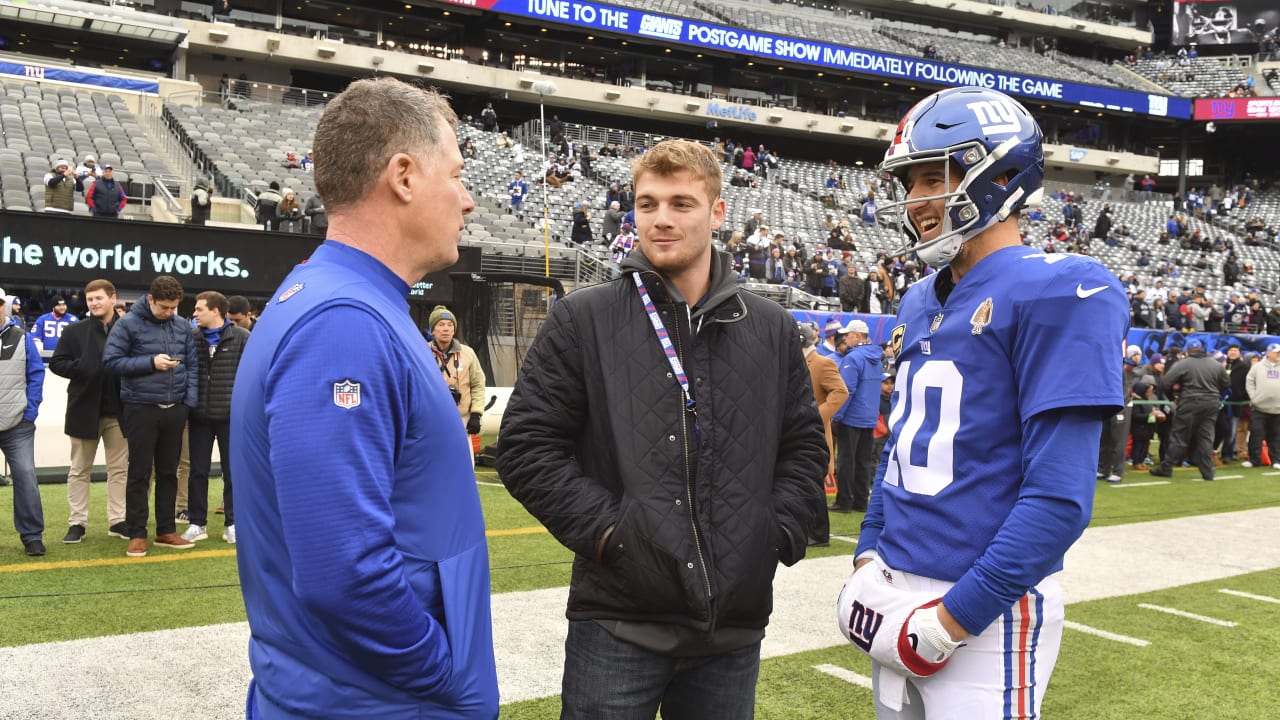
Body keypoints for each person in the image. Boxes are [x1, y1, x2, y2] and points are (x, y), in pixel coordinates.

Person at [497, 139, 825, 719]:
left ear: (718, 211)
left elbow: (801, 444)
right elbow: (526, 447)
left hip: (732, 627)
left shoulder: (771, 328)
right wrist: (613, 536)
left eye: (681, 203)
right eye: (647, 204)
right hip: (620, 619)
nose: (661, 219)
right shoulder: (584, 317)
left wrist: (772, 534)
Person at [838, 87, 1128, 719]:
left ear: (995, 172)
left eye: (929, 178)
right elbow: (904, 445)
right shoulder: (917, 299)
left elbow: (1058, 500)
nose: (915, 201)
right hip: (895, 585)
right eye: (909, 183)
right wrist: (869, 551)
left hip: (987, 608)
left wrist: (952, 620)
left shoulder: (1063, 288)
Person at [230, 77, 497, 718]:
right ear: (404, 176)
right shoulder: (343, 323)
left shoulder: (347, 302)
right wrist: (442, 675)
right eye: (456, 176)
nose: (466, 201)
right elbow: (342, 570)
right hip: (377, 701)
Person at [102, 275, 200, 557]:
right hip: (140, 406)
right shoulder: (127, 324)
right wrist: (150, 363)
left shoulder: (182, 326)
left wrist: (187, 403)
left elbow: (191, 365)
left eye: (174, 308)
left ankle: (166, 530)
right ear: (151, 299)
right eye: (165, 307)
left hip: (175, 409)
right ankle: (136, 533)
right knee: (140, 472)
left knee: (169, 472)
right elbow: (110, 362)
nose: (169, 313)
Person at [49, 279, 129, 544]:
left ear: (112, 298)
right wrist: (82, 368)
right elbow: (57, 364)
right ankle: (77, 523)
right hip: (83, 409)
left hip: (119, 412)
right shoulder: (74, 331)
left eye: (99, 298)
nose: (94, 303)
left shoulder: (128, 330)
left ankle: (118, 520)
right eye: (90, 299)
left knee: (119, 470)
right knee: (79, 470)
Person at [178, 291, 249, 546]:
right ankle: (197, 524)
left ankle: (233, 523)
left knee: (233, 473)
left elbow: (251, 377)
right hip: (198, 417)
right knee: (197, 471)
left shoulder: (241, 338)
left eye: (199, 309)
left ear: (216, 311)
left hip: (231, 418)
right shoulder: (192, 338)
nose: (194, 313)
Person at [0, 296, 46, 555]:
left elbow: (36, 374)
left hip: (18, 424)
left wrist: (30, 412)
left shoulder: (22, 337)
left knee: (26, 476)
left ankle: (31, 536)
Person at [1149, 339, 1229, 481]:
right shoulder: (1216, 365)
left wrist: (1174, 398)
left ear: (1187, 351)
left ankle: (1166, 467)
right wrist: (1214, 394)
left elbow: (1167, 382)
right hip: (1210, 403)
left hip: (1189, 402)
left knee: (1179, 436)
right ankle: (1208, 471)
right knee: (1206, 437)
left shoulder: (1183, 364)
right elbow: (1226, 384)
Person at [801, 322, 848, 547]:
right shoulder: (799, 362)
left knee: (814, 482)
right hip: (797, 432)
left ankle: (819, 534)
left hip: (813, 432)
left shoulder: (822, 363)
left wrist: (816, 416)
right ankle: (806, 529)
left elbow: (841, 392)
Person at [831, 319, 881, 513]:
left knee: (846, 461)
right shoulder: (876, 357)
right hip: (869, 416)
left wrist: (837, 415)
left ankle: (843, 501)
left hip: (851, 416)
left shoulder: (853, 358)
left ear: (858, 336)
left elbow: (847, 390)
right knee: (863, 462)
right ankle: (860, 501)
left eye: (848, 335)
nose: (845, 338)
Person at [426, 305, 486, 440]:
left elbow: (478, 385)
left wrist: (476, 414)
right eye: (440, 325)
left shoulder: (468, 353)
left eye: (450, 325)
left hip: (461, 419)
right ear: (433, 330)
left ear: (454, 330)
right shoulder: (421, 351)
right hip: (429, 419)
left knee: (463, 460)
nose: (446, 328)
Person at [1243, 343, 1280, 469]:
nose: (1279, 354)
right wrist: (1254, 397)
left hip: (1277, 408)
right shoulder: (1257, 367)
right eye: (1276, 352)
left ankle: (1276, 460)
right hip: (1259, 407)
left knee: (1275, 435)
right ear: (1269, 352)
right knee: (1256, 434)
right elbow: (1249, 382)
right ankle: (1254, 460)